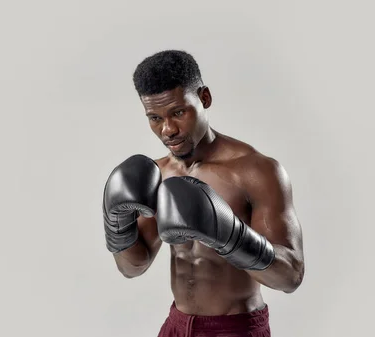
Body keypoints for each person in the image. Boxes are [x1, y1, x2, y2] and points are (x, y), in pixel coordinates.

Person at [101, 50, 305, 337]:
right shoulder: (157, 174)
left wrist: (229, 236)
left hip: (234, 329)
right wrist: (116, 225)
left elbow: (291, 276)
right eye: (155, 118)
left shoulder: (256, 171)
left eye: (178, 112)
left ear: (204, 98)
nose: (168, 129)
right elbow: (133, 267)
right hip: (176, 325)